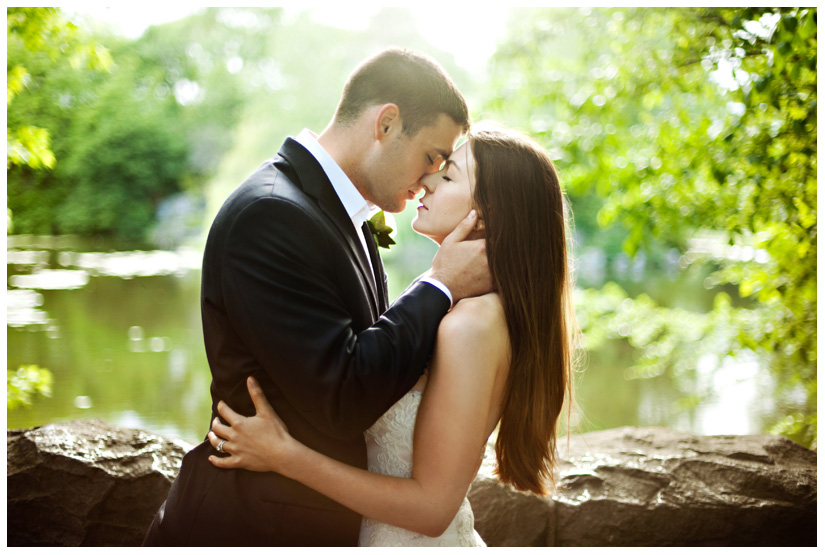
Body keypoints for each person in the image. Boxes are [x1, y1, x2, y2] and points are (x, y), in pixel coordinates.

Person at [142, 47, 493, 547]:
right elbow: (342, 398)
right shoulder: (270, 214)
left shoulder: (340, 213)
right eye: (432, 156)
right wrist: (440, 285)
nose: (431, 177)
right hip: (253, 525)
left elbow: (375, 358)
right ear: (387, 124)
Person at [206, 123, 578, 546]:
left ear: (488, 214)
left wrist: (286, 456)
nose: (425, 182)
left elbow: (432, 508)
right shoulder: (455, 303)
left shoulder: (470, 325)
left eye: (448, 174)